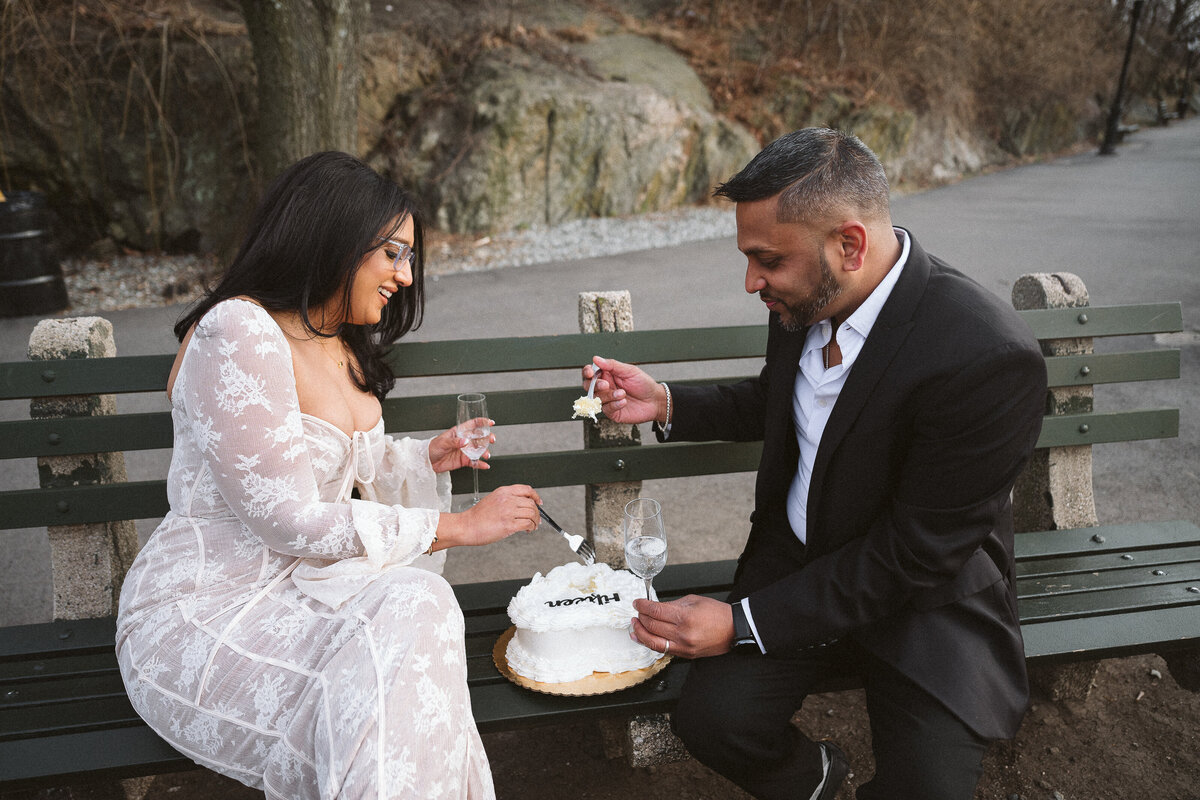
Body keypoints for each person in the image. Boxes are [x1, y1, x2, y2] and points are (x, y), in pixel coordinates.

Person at [586, 128, 1047, 800]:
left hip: (923, 596)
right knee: (714, 722)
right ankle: (815, 781)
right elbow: (782, 400)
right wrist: (662, 401)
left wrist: (741, 623)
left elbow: (912, 556)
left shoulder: (986, 357)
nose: (752, 282)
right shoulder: (806, 297)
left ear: (850, 246)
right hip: (794, 562)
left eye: (766, 260)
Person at [116, 151, 542, 799]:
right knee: (410, 623)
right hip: (209, 609)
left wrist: (427, 457)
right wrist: (455, 527)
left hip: (307, 594)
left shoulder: (336, 341)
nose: (404, 274)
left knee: (416, 607)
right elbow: (286, 515)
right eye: (393, 253)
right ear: (336, 238)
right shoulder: (237, 330)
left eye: (410, 258)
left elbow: (341, 467)